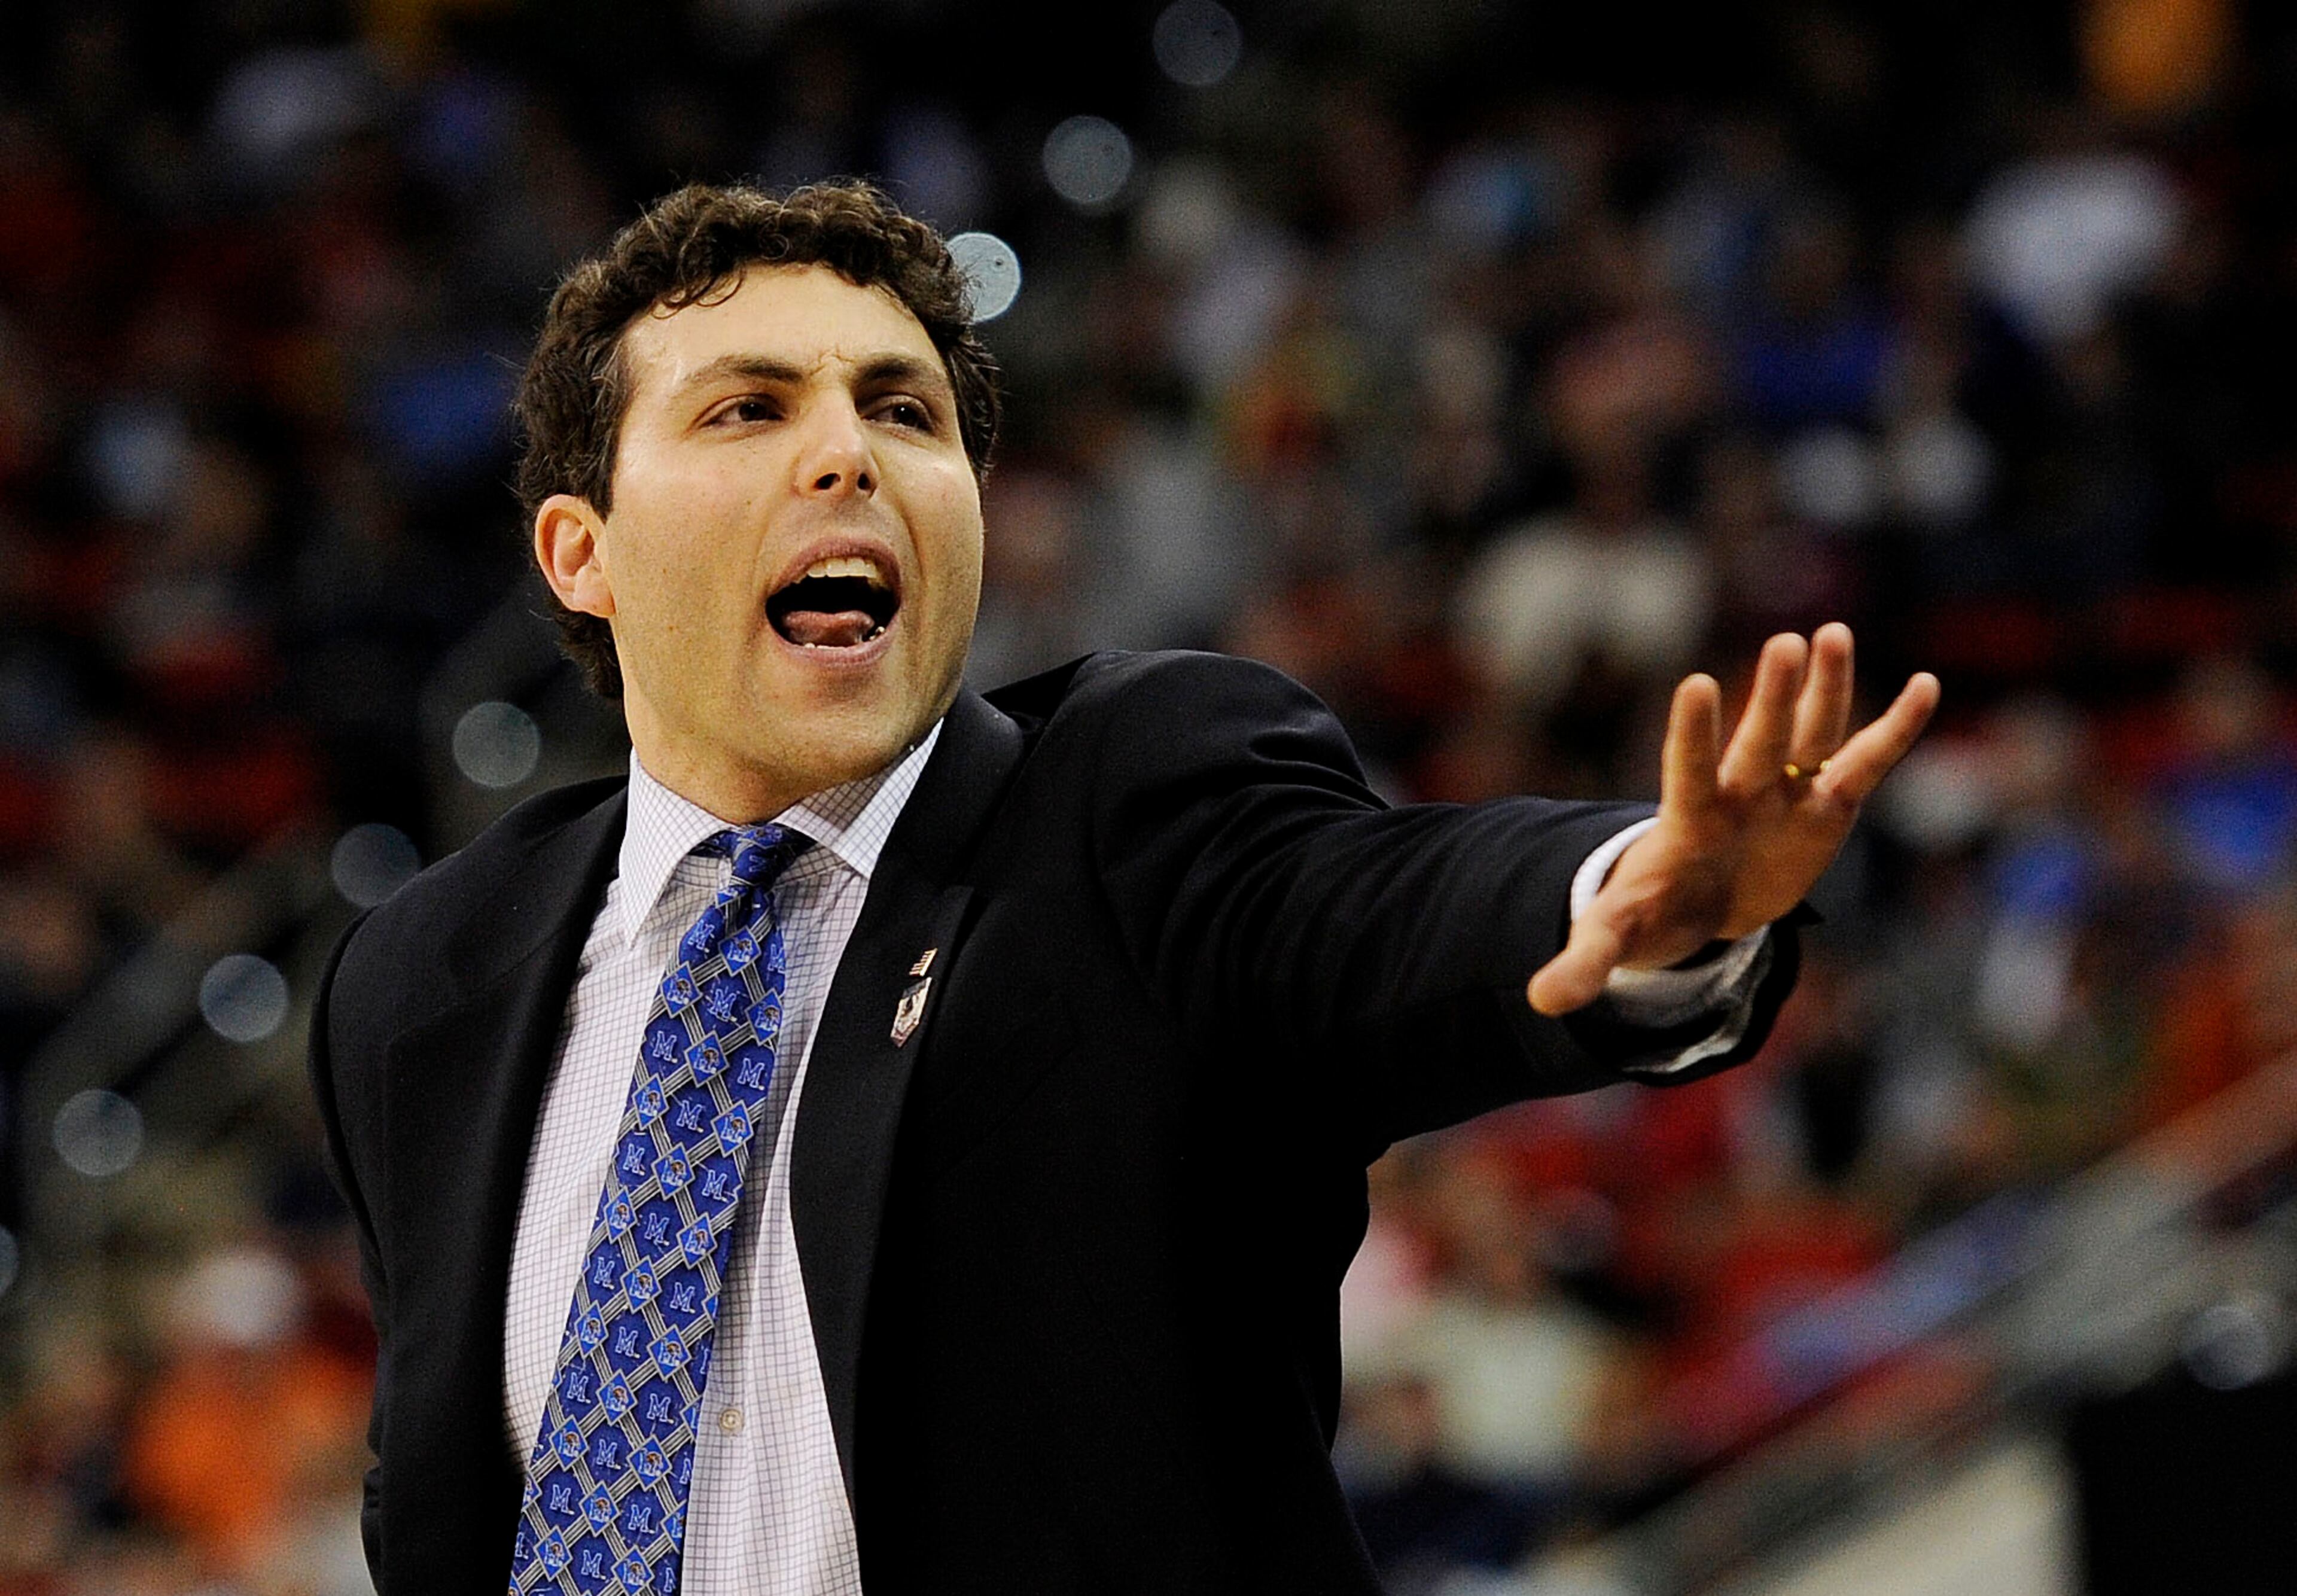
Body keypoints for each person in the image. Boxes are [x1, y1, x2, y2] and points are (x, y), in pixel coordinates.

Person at [307, 181, 1937, 1596]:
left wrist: (1613, 899)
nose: (847, 456)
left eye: (905, 409)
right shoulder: (423, 983)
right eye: (748, 408)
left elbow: (1365, 905)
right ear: (579, 549)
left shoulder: (1123, 805)